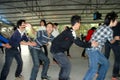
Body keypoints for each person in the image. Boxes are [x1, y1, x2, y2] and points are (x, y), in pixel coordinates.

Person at [50, 15, 98, 80]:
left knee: (65, 65)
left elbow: (77, 40)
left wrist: (88, 44)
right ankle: (64, 78)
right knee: (67, 65)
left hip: (58, 50)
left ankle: (62, 78)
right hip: (56, 50)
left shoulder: (71, 31)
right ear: (77, 23)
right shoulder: (70, 32)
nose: (80, 25)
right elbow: (78, 43)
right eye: (79, 23)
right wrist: (90, 44)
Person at [83, 11, 119, 80]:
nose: (116, 21)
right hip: (93, 50)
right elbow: (111, 42)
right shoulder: (109, 30)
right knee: (93, 69)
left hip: (92, 49)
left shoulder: (102, 26)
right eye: (116, 20)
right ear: (112, 21)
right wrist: (116, 38)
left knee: (106, 63)